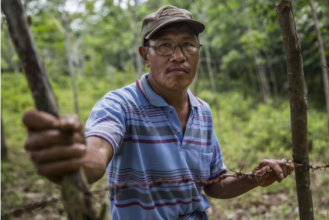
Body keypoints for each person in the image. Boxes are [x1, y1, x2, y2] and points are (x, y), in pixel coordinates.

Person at [22, 5, 294, 220]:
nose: (178, 56)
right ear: (145, 54)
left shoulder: (203, 111)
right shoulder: (119, 105)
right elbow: (97, 151)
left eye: (188, 44)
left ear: (198, 51)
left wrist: (254, 179)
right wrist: (78, 161)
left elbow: (213, 183)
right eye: (165, 45)